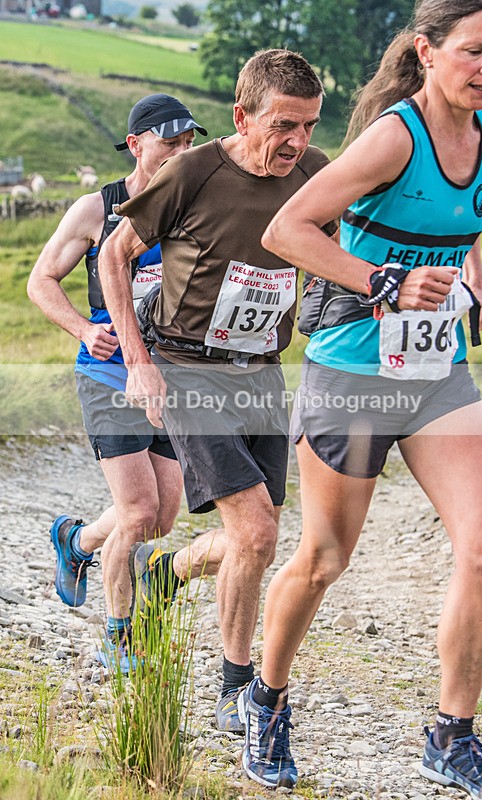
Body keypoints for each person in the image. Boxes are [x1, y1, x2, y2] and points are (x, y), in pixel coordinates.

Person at [237, 1, 482, 796]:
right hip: (354, 374)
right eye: (473, 51)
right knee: (325, 557)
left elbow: (455, 229)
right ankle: (264, 703)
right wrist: (387, 281)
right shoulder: (393, 137)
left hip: (437, 375)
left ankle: (451, 738)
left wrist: (470, 287)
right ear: (426, 52)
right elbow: (289, 231)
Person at [97, 50, 335, 731]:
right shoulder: (192, 171)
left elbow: (340, 243)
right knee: (257, 531)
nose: (297, 142)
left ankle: (165, 572)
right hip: (187, 367)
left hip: (261, 369)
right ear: (242, 116)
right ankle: (236, 689)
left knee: (251, 538)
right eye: (283, 125)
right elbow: (114, 255)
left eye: (309, 126)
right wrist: (139, 361)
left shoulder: (314, 174)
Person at [27, 93, 210, 672]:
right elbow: (41, 280)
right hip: (108, 374)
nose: (182, 152)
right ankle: (118, 635)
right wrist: (83, 329)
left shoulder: (194, 204)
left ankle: (76, 542)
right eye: (170, 143)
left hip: (170, 377)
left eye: (189, 143)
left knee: (161, 518)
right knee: (136, 513)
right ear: (136, 144)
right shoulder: (96, 208)